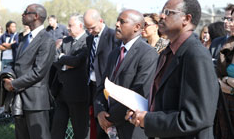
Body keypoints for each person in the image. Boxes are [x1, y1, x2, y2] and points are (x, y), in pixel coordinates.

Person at [125, 0, 219, 139]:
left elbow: (197, 117)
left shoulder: (196, 55)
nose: (162, 15)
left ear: (186, 19)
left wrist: (149, 120)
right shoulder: (167, 53)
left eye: (168, 12)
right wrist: (142, 112)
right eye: (162, 10)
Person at [94, 9, 158, 139]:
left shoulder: (148, 54)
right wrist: (100, 112)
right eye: (117, 20)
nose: (117, 24)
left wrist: (110, 118)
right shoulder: (114, 54)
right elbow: (102, 86)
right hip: (107, 128)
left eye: (122, 22)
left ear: (137, 27)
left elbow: (139, 92)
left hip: (130, 128)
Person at [3, 3, 56, 139]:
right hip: (19, 99)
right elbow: (18, 65)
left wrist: (14, 84)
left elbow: (39, 72)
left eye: (26, 12)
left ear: (36, 16)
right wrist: (5, 77)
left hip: (36, 102)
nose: (23, 14)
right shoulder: (24, 38)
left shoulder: (47, 40)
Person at [51, 14, 89, 139]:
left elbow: (77, 61)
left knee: (79, 130)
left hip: (78, 94)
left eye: (70, 25)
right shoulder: (66, 40)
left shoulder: (88, 40)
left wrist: (62, 57)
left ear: (80, 25)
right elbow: (55, 59)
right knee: (57, 129)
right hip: (61, 93)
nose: (67, 28)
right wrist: (64, 63)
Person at [84, 9, 119, 139]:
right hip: (92, 86)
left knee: (107, 123)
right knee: (95, 123)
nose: (90, 31)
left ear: (100, 21)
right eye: (87, 29)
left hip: (107, 87)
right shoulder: (89, 39)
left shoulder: (113, 36)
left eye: (92, 28)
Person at [215, 6, 234, 139]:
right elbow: (218, 79)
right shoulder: (230, 46)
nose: (231, 23)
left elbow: (223, 80)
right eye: (230, 19)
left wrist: (228, 81)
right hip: (226, 106)